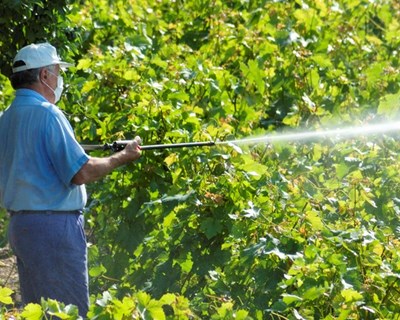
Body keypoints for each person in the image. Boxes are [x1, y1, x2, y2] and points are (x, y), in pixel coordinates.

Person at [0, 43, 141, 317]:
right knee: (68, 311)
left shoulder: (6, 119)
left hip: (21, 226)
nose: (58, 79)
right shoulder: (49, 114)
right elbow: (82, 172)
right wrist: (121, 157)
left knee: (40, 311)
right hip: (54, 227)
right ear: (43, 76)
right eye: (56, 72)